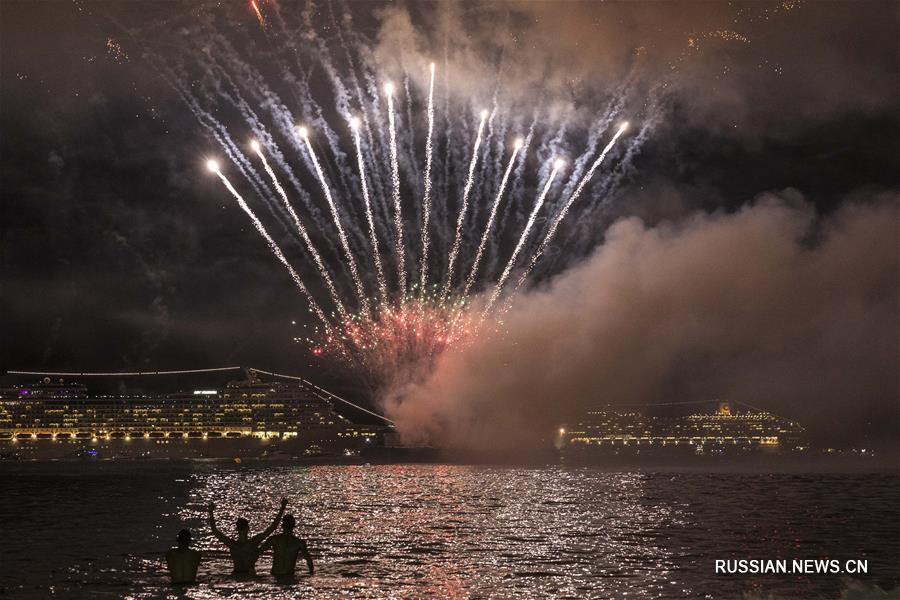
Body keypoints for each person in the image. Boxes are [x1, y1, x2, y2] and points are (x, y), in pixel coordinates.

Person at [208, 497, 287, 575]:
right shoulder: (253, 543)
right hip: (250, 575)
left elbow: (215, 531)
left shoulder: (232, 545)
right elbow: (272, 528)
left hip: (236, 575)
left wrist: (211, 512)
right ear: (248, 528)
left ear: (237, 529)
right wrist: (282, 508)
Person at [259, 513, 314, 578]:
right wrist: (311, 574)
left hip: (275, 575)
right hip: (289, 576)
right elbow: (309, 561)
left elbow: (258, 552)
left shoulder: (274, 539)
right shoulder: (299, 542)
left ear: (282, 525)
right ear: (293, 526)